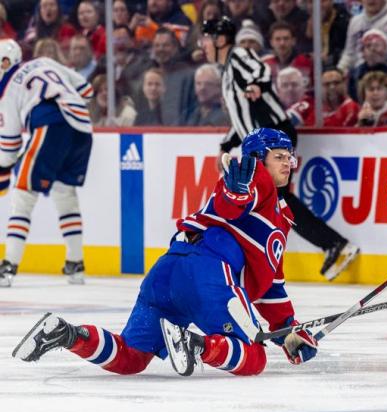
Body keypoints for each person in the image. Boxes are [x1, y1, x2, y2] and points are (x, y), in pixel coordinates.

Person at [12, 128, 319, 377]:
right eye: (278, 156)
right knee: (253, 358)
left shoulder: (281, 213)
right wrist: (235, 190)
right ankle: (197, 345)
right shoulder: (255, 177)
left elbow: (271, 284)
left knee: (130, 358)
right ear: (257, 159)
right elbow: (232, 201)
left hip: (168, 271)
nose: (286, 163)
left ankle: (68, 335)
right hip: (208, 273)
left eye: (289, 157)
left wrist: (287, 331)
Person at [202, 16, 359, 281]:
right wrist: (226, 144)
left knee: (275, 198)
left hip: (274, 137)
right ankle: (328, 245)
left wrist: (257, 86)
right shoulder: (227, 71)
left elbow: (261, 71)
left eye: (206, 38)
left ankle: (333, 244)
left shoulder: (238, 55)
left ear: (219, 39)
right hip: (263, 140)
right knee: (272, 198)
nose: (203, 44)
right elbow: (243, 119)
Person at [0, 39, 93, 286]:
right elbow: (87, 91)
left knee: (22, 194)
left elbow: (9, 145)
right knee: (65, 193)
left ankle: (8, 265)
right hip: (82, 127)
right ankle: (76, 264)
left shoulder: (7, 89)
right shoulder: (45, 61)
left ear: (4, 63)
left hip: (50, 124)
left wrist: (4, 169)